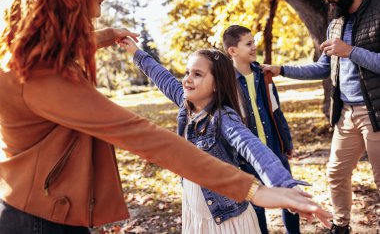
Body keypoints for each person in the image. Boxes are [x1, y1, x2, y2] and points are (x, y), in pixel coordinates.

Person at [0, 0, 332, 233]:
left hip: (40, 205)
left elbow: (254, 147)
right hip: (39, 217)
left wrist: (111, 34)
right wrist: (252, 190)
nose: (97, 13)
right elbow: (144, 131)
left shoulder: (21, 59)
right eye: (99, 1)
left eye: (198, 74)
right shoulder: (40, 76)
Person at [120, 37, 321, 233]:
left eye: (197, 74)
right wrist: (135, 52)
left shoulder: (223, 117)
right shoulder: (186, 104)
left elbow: (253, 147)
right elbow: (161, 75)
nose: (188, 79)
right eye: (187, 72)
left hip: (226, 220)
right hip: (196, 212)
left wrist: (285, 185)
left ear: (217, 84)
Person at [263, 0, 380, 233]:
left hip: (376, 113)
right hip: (346, 114)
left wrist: (351, 51)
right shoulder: (335, 24)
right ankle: (341, 226)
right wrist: (282, 70)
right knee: (336, 174)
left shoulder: (379, 10)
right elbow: (322, 68)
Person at [222, 25, 300, 234]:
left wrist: (287, 143)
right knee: (256, 209)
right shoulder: (226, 82)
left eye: (254, 42)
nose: (254, 47)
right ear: (233, 51)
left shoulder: (263, 75)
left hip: (274, 148)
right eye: (248, 44)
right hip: (246, 157)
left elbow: (276, 111)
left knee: (290, 198)